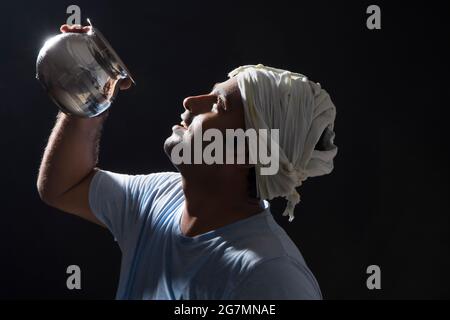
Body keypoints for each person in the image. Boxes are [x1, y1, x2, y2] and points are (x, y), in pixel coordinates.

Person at [37, 24, 337, 300]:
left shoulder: (270, 277)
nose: (191, 102)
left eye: (218, 104)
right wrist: (91, 92)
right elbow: (64, 186)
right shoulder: (159, 197)